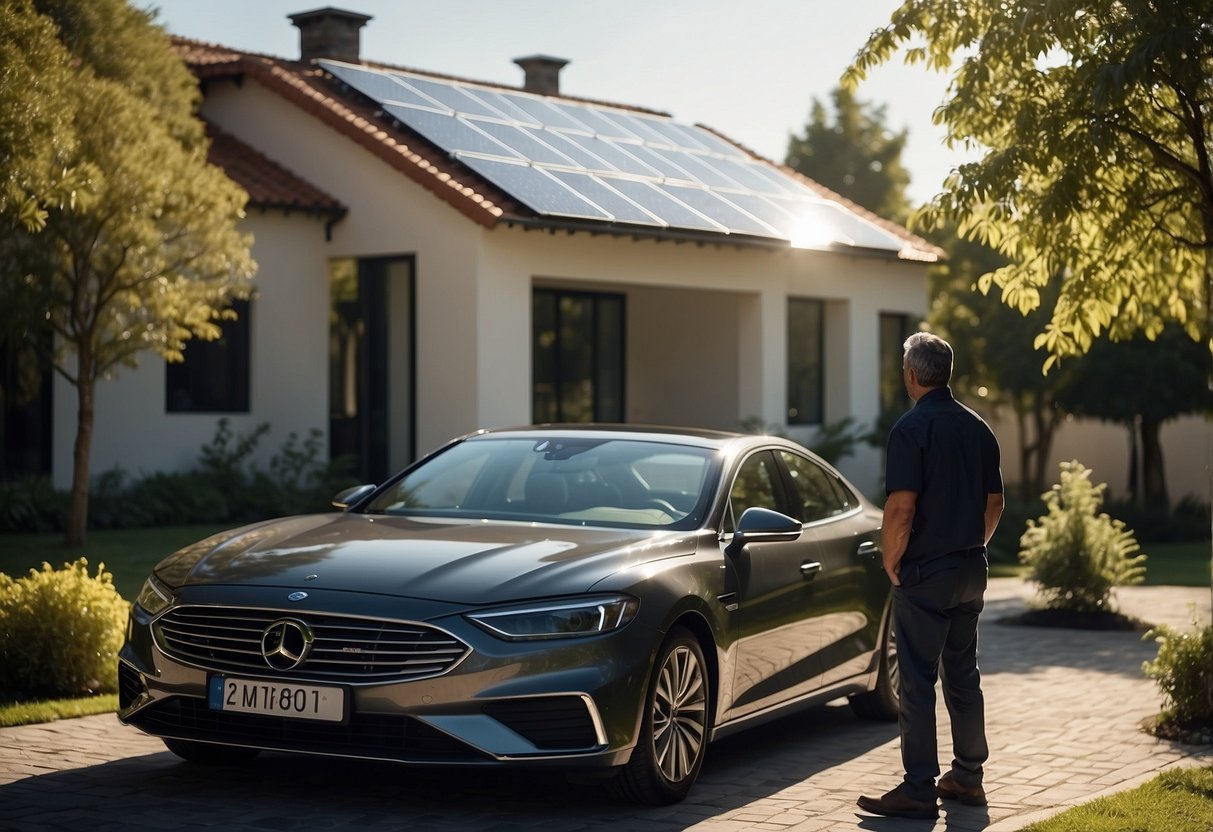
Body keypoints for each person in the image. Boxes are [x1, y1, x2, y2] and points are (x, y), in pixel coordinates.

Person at [857, 331, 1005, 821]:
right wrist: (973, 548)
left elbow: (901, 507)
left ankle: (919, 789)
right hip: (970, 569)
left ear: (912, 374)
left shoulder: (910, 429)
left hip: (926, 573)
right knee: (963, 676)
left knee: (918, 681)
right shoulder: (979, 428)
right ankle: (968, 777)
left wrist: (891, 560)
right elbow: (995, 503)